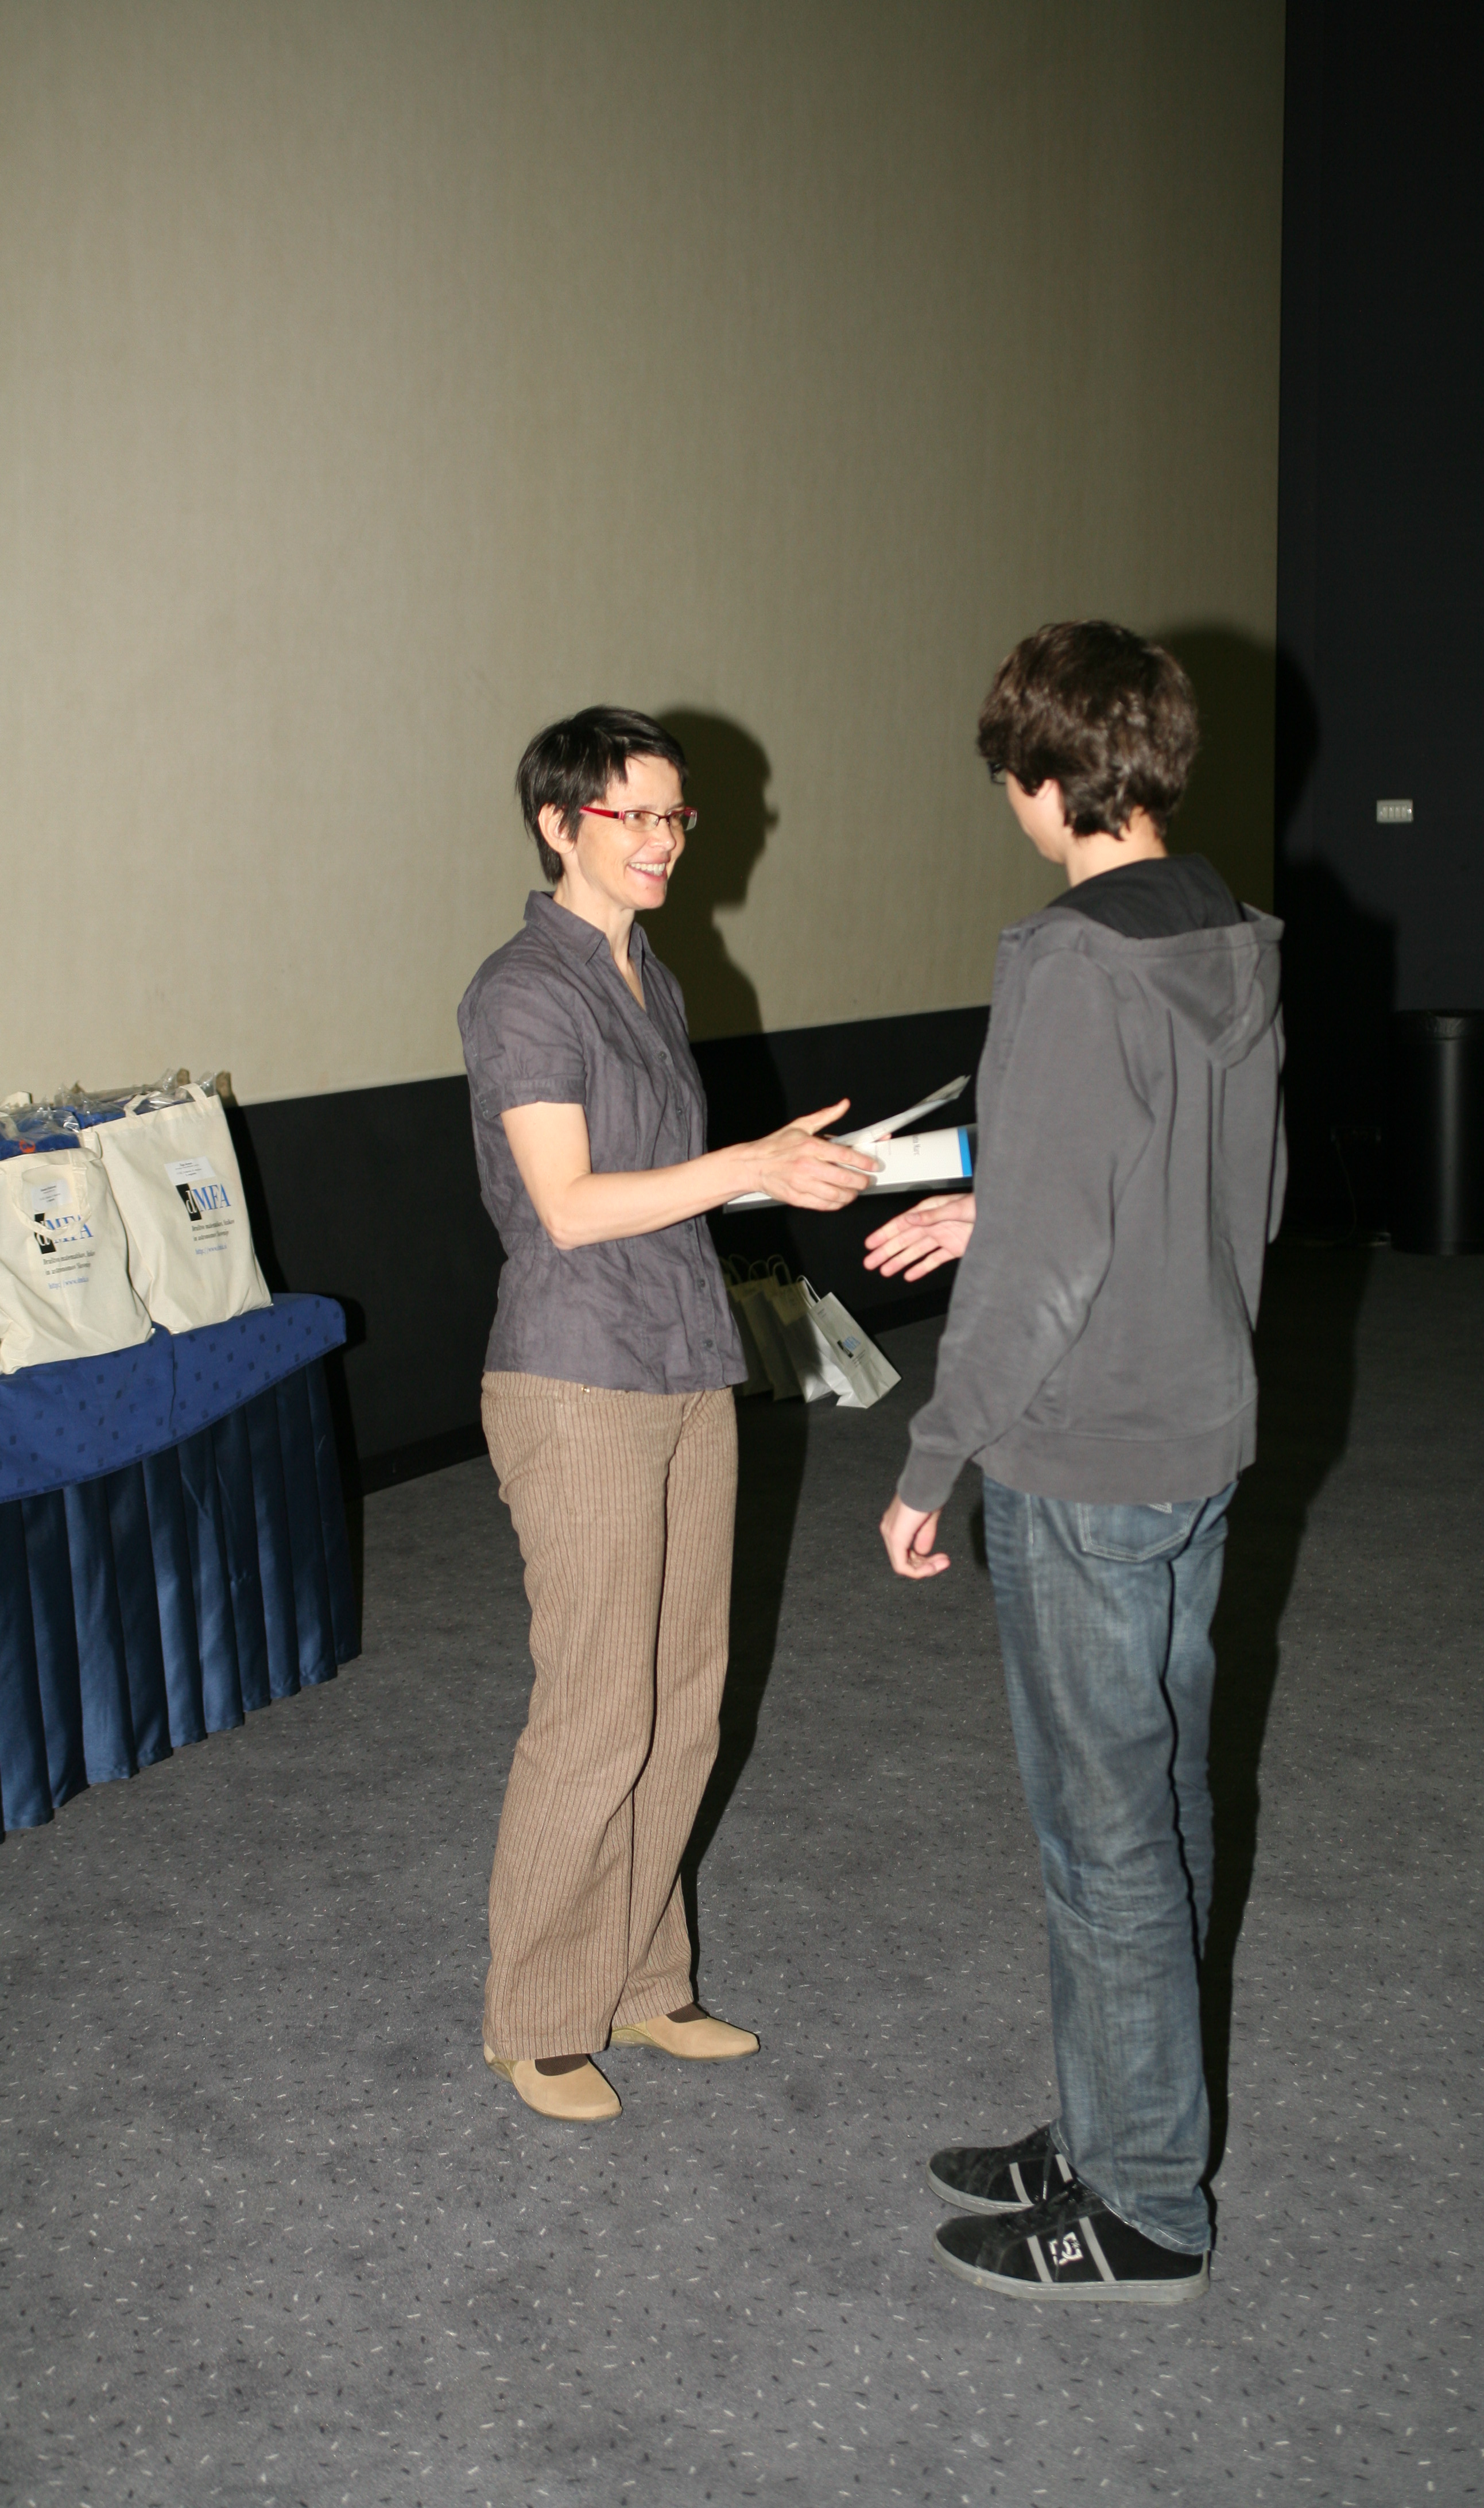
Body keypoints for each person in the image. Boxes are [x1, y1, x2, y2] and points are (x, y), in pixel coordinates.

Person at [868, 622, 1285, 2300]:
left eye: (1010, 777)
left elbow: (1042, 1278)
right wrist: (1018, 1198)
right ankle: (1120, 2121)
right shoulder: (1227, 933)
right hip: (1196, 1426)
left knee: (1100, 1838)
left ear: (1046, 779)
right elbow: (1230, 1189)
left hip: (1087, 1454)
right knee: (1160, 1805)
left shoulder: (1066, 956)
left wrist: (931, 1458)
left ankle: (1144, 2208)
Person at [459, 706, 875, 2123]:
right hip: (575, 1376)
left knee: (682, 1696)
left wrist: (775, 1171)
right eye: (631, 815)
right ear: (557, 823)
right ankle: (536, 2016)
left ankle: (641, 1979)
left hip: (685, 1362)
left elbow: (664, 1184)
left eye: (674, 817)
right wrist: (745, 1163)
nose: (662, 841)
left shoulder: (653, 975)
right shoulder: (523, 990)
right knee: (594, 1708)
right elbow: (571, 1209)